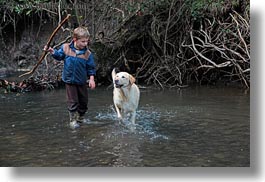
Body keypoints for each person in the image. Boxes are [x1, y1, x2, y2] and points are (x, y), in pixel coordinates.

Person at [44, 26, 96, 129]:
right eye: (83, 41)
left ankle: (80, 118)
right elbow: (59, 56)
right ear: (75, 40)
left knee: (84, 102)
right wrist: (51, 51)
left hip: (81, 81)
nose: (85, 44)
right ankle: (72, 120)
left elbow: (91, 68)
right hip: (69, 80)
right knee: (73, 101)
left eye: (87, 41)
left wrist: (91, 79)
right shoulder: (65, 48)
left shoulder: (87, 54)